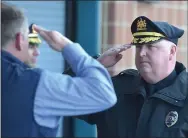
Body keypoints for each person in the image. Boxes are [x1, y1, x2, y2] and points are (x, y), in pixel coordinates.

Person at [1, 2, 117, 137]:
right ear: (20, 40)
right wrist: (67, 45)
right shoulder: (33, 84)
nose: (36, 52)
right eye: (28, 39)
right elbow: (103, 93)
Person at [64, 16, 188, 137]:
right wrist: (94, 65)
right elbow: (63, 96)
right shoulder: (116, 89)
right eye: (138, 47)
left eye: (150, 46)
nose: (142, 53)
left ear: (171, 52)